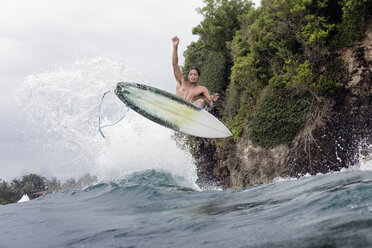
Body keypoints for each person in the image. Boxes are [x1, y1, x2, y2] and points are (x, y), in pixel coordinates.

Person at [172, 36, 219, 108]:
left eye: (195, 74)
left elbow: (210, 102)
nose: (193, 76)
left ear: (198, 77)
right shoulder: (182, 82)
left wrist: (213, 101)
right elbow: (175, 64)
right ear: (187, 76)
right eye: (191, 74)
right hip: (176, 106)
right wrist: (175, 47)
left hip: (188, 111)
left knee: (201, 101)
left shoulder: (202, 89)